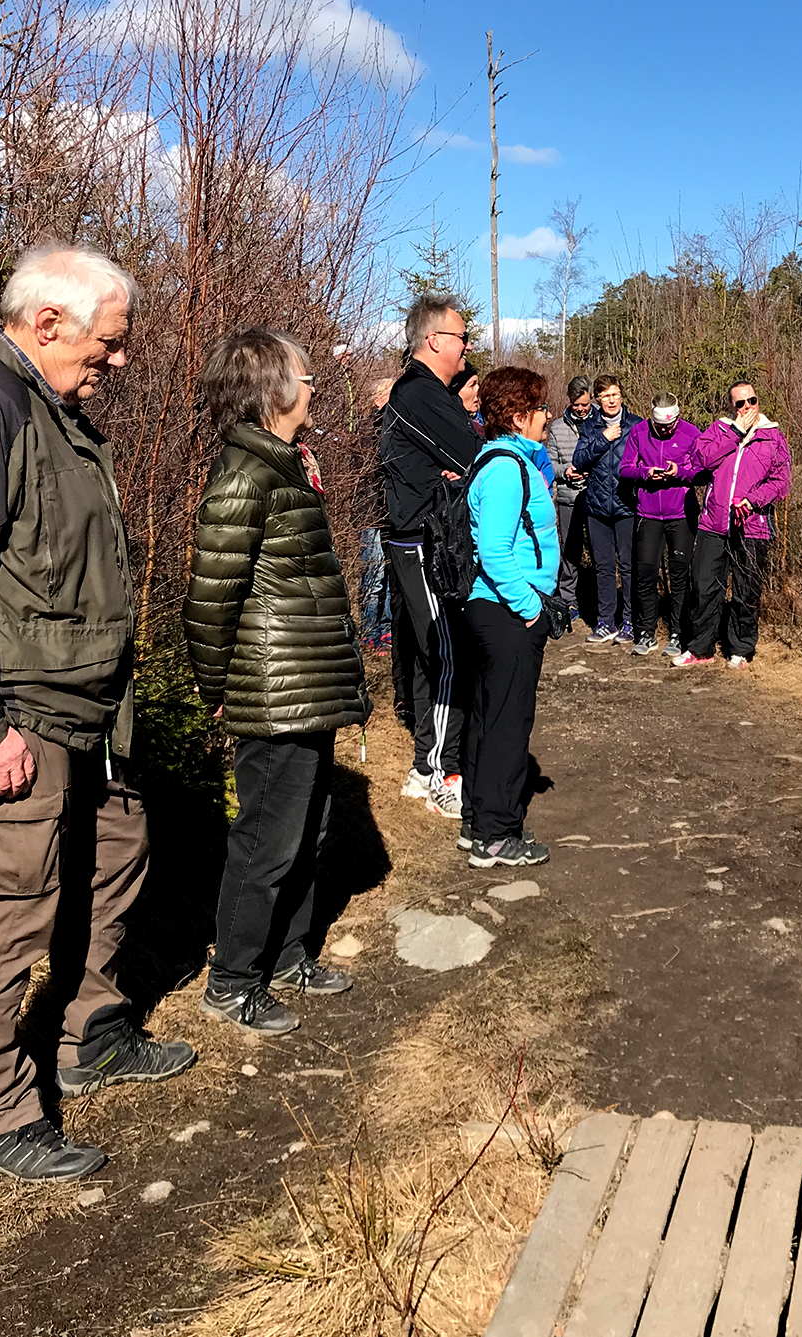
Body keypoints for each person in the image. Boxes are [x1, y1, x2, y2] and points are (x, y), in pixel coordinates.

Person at [0, 244, 196, 1182]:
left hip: (92, 713)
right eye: (110, 341)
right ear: (49, 320)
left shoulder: (54, 409)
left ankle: (88, 1033)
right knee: (3, 911)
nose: (120, 360)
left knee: (116, 859)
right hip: (18, 713)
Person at [183, 329, 369, 1037]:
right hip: (272, 688)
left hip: (308, 682)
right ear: (273, 390)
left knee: (311, 830)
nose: (318, 385)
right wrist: (214, 685)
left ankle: (289, 954)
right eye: (308, 374)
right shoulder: (245, 475)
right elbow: (210, 596)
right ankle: (232, 981)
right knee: (266, 839)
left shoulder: (289, 465)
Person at [381, 294, 481, 820]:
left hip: (420, 538)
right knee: (445, 651)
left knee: (430, 652)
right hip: (422, 542)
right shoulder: (422, 393)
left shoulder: (422, 392)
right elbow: (473, 456)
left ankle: (427, 764)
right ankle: (439, 772)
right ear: (436, 340)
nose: (467, 348)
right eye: (462, 338)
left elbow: (459, 460)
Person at [461, 366, 561, 869]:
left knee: (488, 714)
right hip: (506, 612)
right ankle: (496, 836)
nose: (549, 416)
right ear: (519, 416)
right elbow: (495, 551)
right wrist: (531, 609)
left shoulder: (510, 460)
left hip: (499, 610)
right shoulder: (504, 468)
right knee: (506, 723)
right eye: (541, 408)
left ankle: (479, 822)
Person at [672, 380, 793, 668]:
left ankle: (740, 649)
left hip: (752, 526)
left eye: (751, 400)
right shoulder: (719, 430)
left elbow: (782, 481)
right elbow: (701, 459)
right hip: (713, 523)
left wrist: (753, 501)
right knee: (702, 586)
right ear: (732, 406)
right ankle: (700, 647)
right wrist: (736, 432)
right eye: (740, 403)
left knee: (746, 590)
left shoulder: (773, 437)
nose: (747, 407)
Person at [619, 392, 702, 655]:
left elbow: (703, 471)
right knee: (645, 575)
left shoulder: (691, 433)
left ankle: (678, 634)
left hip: (681, 515)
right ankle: (646, 632)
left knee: (679, 577)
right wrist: (645, 473)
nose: (666, 431)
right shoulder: (639, 432)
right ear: (652, 419)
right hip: (648, 514)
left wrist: (680, 473)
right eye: (661, 426)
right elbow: (625, 469)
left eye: (671, 425)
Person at [572, 375, 642, 644]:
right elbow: (579, 459)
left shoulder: (636, 425)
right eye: (605, 396)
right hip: (597, 507)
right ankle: (605, 622)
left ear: (621, 395)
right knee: (603, 567)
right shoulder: (591, 426)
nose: (611, 400)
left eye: (615, 394)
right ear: (597, 400)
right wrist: (602, 438)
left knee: (628, 566)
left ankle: (629, 622)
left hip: (627, 506)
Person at [545, 376, 594, 624]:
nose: (582, 409)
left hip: (596, 497)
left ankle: (598, 601)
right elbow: (549, 464)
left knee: (600, 552)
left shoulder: (599, 424)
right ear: (570, 401)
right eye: (577, 405)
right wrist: (566, 470)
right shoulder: (557, 427)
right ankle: (568, 600)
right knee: (570, 551)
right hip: (568, 497)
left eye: (585, 404)